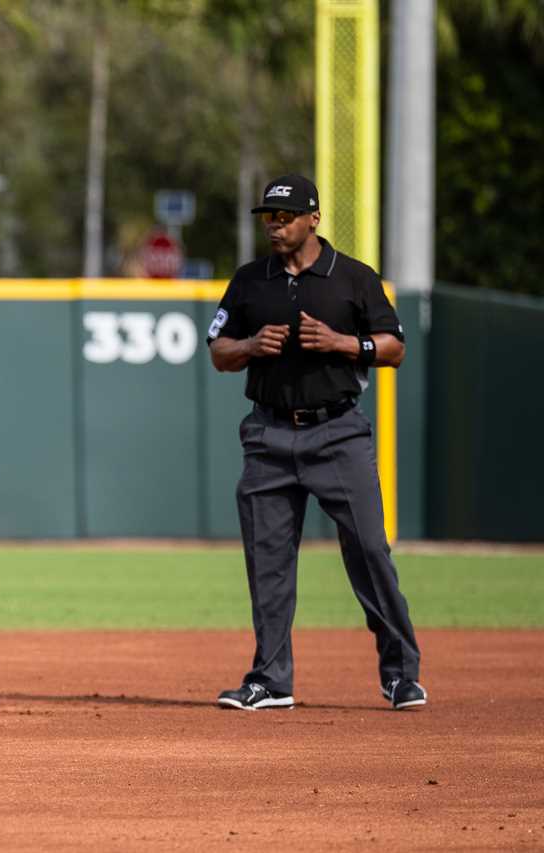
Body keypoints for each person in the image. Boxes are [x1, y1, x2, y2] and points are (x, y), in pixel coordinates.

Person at [206, 174, 426, 712]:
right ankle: (270, 679)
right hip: (268, 433)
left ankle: (400, 675)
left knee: (370, 552)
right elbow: (218, 351)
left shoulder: (351, 277)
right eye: (269, 218)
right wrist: (253, 344)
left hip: (337, 433)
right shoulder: (250, 281)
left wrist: (342, 344)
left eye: (285, 217)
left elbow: (395, 348)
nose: (275, 226)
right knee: (268, 563)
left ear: (314, 219)